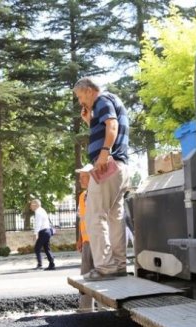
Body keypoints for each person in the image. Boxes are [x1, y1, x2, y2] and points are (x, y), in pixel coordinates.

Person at [73, 77, 130, 280]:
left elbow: (112, 126)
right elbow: (108, 126)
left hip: (107, 164)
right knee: (115, 217)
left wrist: (104, 153)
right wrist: (90, 121)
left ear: (89, 90)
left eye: (80, 96)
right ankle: (119, 264)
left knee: (94, 215)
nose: (81, 102)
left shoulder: (102, 101)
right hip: (120, 166)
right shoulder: (110, 100)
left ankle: (105, 267)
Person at [76, 164, 95, 311]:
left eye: (84, 177)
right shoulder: (82, 196)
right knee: (86, 276)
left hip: (99, 241)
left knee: (101, 277)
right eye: (81, 177)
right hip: (87, 241)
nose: (81, 180)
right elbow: (81, 219)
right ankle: (85, 309)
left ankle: (104, 310)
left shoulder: (99, 194)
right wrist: (80, 239)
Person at [30, 199, 55, 271]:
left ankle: (40, 264)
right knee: (47, 248)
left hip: (43, 232)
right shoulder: (42, 210)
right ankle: (52, 264)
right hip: (47, 231)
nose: (30, 206)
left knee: (37, 248)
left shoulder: (38, 212)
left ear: (35, 205)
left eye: (31, 205)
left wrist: (35, 234)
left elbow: (38, 224)